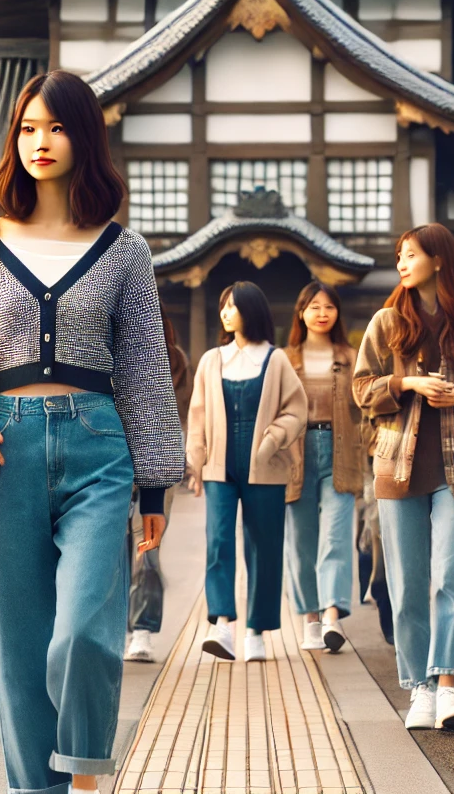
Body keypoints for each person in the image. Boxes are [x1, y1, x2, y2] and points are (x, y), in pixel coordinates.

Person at [0, 70, 183, 794]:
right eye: (29, 128)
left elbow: (143, 371)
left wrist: (155, 483)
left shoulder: (125, 251)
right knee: (21, 644)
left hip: (99, 451)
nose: (40, 142)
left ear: (85, 138)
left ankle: (85, 772)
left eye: (57, 127)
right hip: (3, 448)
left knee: (84, 634)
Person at [355, 223, 454, 733]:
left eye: (410, 253)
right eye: (398, 254)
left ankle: (446, 685)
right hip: (398, 468)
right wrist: (406, 382)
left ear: (438, 259)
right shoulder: (386, 322)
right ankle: (418, 686)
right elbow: (361, 389)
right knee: (408, 581)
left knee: (450, 575)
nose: (401, 261)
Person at [188, 281, 308, 662]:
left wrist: (272, 439)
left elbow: (296, 409)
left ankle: (257, 629)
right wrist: (195, 462)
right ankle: (222, 625)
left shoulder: (276, 360)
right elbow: (198, 416)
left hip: (266, 469)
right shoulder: (211, 359)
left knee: (264, 546)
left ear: (251, 310)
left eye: (232, 305)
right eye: (223, 306)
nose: (225, 312)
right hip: (219, 467)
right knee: (219, 541)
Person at [283, 282, 363, 654]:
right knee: (301, 542)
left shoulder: (350, 355)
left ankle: (331, 614)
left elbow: (364, 404)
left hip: (340, 449)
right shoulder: (285, 358)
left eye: (329, 306)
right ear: (301, 312)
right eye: (314, 306)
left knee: (335, 535)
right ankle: (310, 618)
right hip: (295, 453)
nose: (322, 312)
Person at [125, 315, 190, 663]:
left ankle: (143, 630)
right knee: (110, 549)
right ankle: (118, 625)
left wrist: (183, 456)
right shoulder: (111, 353)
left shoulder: (175, 361)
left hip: (159, 460)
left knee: (146, 547)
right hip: (115, 456)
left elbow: (180, 414)